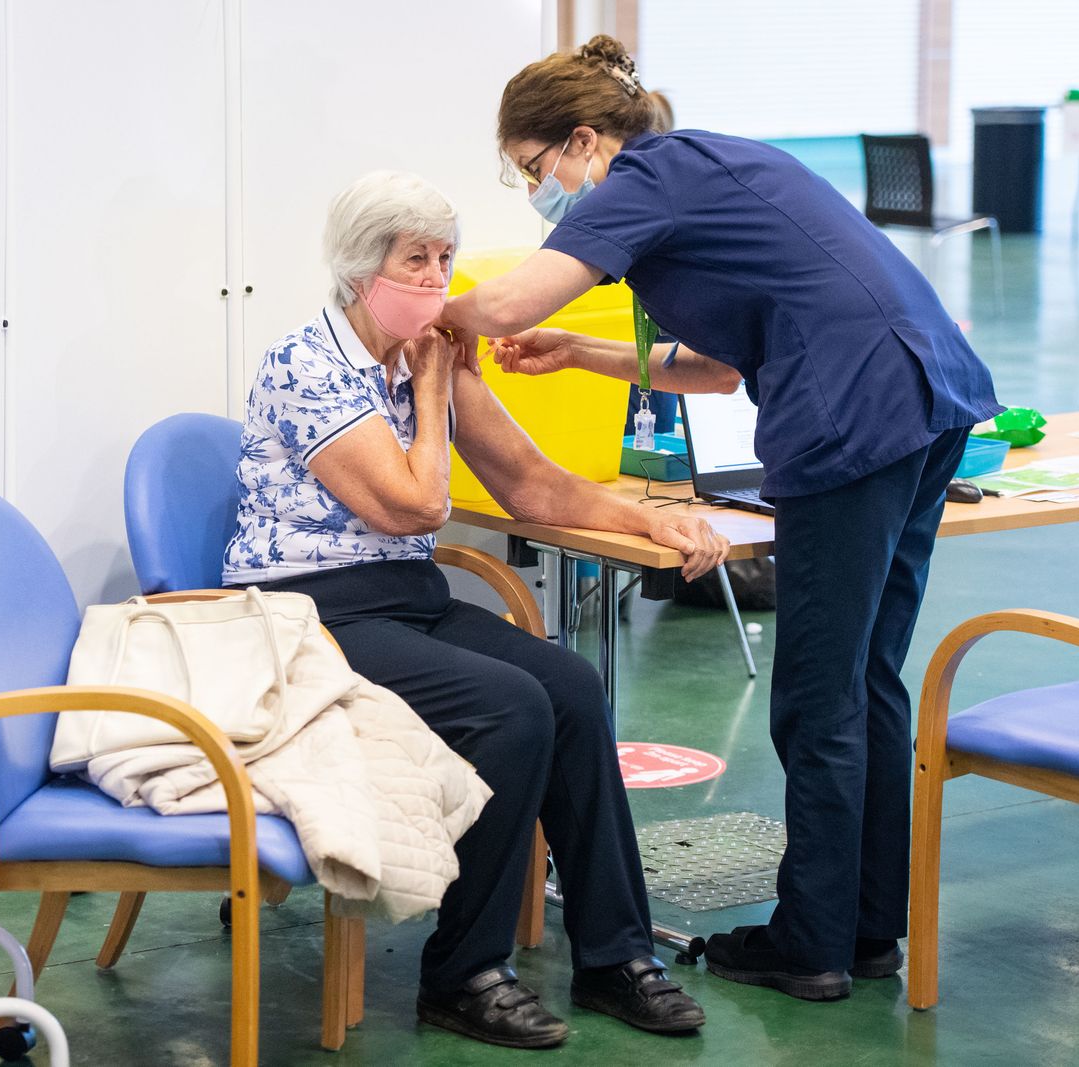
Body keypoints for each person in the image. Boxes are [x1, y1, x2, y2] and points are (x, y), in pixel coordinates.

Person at [439, 36, 1002, 1001]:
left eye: (535, 172)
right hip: (927, 402)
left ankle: (810, 942)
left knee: (819, 694)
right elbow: (720, 369)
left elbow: (511, 295)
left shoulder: (644, 178)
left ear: (583, 141)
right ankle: (867, 929)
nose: (539, 193)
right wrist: (580, 352)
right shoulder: (714, 166)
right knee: (867, 679)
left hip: (853, 423)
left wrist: (433, 318)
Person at [223, 171, 729, 1049]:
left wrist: (653, 517)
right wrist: (431, 387)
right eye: (413, 260)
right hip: (307, 615)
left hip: (403, 599)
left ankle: (615, 955)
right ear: (357, 269)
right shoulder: (308, 364)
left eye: (444, 258)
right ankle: (463, 972)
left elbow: (530, 483)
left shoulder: (430, 353)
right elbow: (414, 508)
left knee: (570, 685)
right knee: (509, 707)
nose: (434, 277)